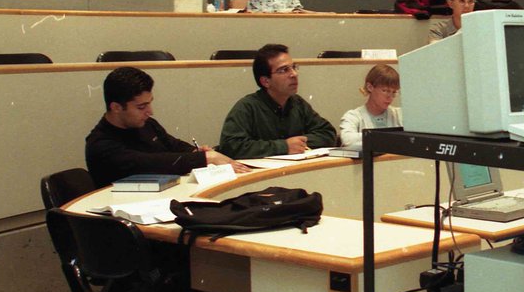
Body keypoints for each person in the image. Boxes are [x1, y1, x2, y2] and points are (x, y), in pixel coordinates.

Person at [85, 67, 247, 187]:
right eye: (141, 107)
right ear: (116, 107)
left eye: (150, 103)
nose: (150, 112)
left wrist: (196, 152)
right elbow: (149, 163)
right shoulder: (100, 145)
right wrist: (205, 159)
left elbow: (173, 146)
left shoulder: (146, 124)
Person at [218, 44, 337, 159]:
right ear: (266, 81)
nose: (294, 74)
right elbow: (231, 146)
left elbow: (328, 134)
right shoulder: (247, 107)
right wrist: (283, 146)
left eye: (294, 67)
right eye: (284, 70)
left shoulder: (297, 103)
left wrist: (298, 143)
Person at [339, 64, 403, 147]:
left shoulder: (399, 114)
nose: (390, 97)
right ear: (370, 87)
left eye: (394, 92)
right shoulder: (352, 116)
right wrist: (389, 137)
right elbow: (347, 140)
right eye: (385, 91)